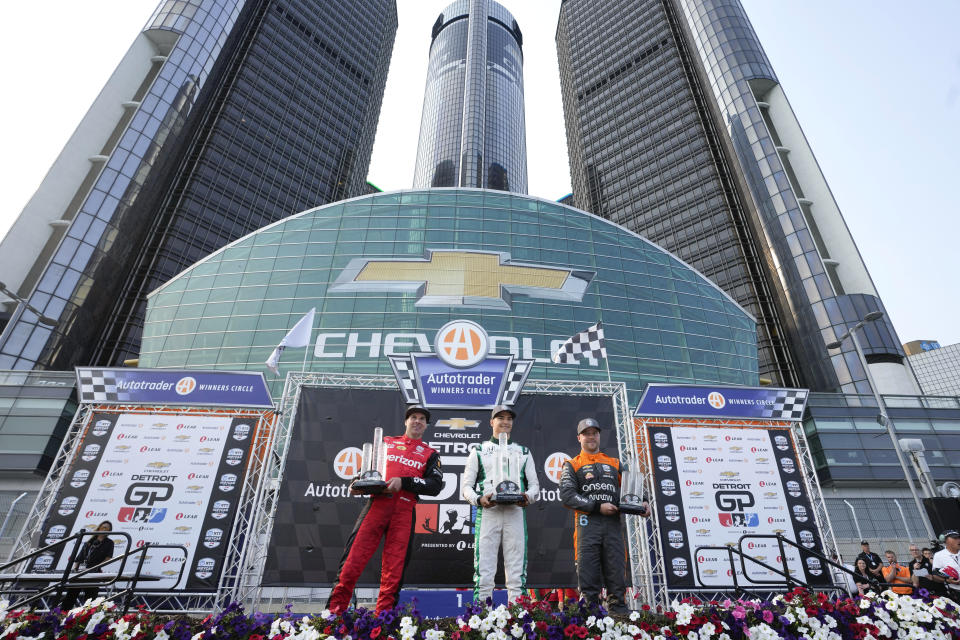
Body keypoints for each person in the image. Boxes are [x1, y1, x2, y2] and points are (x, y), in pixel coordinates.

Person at [327, 406, 444, 614]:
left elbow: (434, 486)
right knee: (351, 563)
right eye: (413, 417)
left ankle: (383, 623)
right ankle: (332, 618)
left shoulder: (430, 453)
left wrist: (404, 482)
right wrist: (355, 484)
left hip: (405, 512)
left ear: (426, 426)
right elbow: (366, 473)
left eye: (422, 419)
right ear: (405, 422)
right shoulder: (387, 443)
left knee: (394, 571)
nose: (417, 421)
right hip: (377, 506)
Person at [559, 417, 649, 614]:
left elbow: (633, 490)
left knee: (617, 574)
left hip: (613, 526)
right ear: (579, 438)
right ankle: (591, 618)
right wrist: (597, 507)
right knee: (588, 577)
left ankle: (620, 615)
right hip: (587, 526)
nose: (591, 437)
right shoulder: (572, 464)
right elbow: (567, 496)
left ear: (599, 436)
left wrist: (643, 501)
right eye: (586, 434)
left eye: (594, 433)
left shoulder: (615, 463)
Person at [461, 405, 539, 603]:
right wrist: (479, 499)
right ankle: (482, 620)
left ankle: (518, 620)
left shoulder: (523, 451)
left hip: (515, 513)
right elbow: (466, 487)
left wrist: (527, 497)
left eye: (509, 418)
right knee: (484, 571)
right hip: (489, 512)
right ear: (491, 422)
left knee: (516, 571)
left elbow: (535, 487)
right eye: (500, 418)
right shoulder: (478, 450)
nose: (505, 422)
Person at [60, 520, 115, 610]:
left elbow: (108, 558)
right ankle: (63, 616)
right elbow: (79, 558)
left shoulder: (109, 543)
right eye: (104, 527)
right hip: (80, 573)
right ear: (99, 528)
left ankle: (87, 618)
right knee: (70, 596)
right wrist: (75, 571)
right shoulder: (89, 542)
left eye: (108, 528)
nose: (106, 529)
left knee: (91, 599)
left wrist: (96, 567)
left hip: (93, 573)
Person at [931, 530, 960, 603]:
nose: (958, 540)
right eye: (955, 538)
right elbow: (935, 576)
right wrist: (947, 580)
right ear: (945, 541)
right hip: (956, 592)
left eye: (958, 538)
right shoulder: (939, 555)